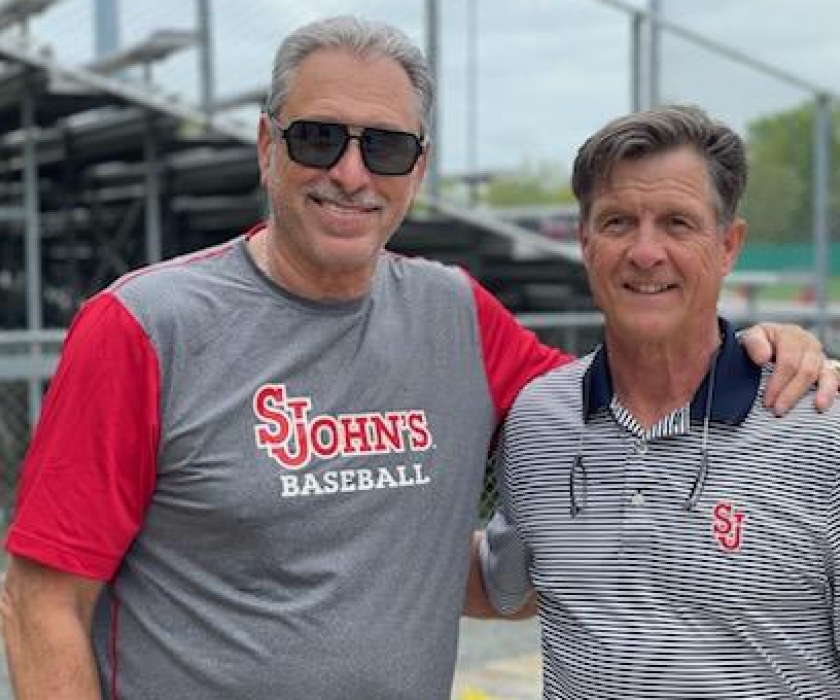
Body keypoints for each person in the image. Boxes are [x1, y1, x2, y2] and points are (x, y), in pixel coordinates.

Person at [0, 17, 834, 700]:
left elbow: (635, 390)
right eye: (319, 139)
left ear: (419, 168)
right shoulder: (144, 327)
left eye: (387, 148)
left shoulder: (455, 315)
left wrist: (772, 353)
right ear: (266, 145)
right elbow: (40, 601)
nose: (351, 174)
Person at [476, 105, 840, 698]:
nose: (646, 253)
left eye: (677, 223)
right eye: (618, 222)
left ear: (728, 245)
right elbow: (504, 585)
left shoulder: (822, 428)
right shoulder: (538, 422)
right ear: (585, 240)